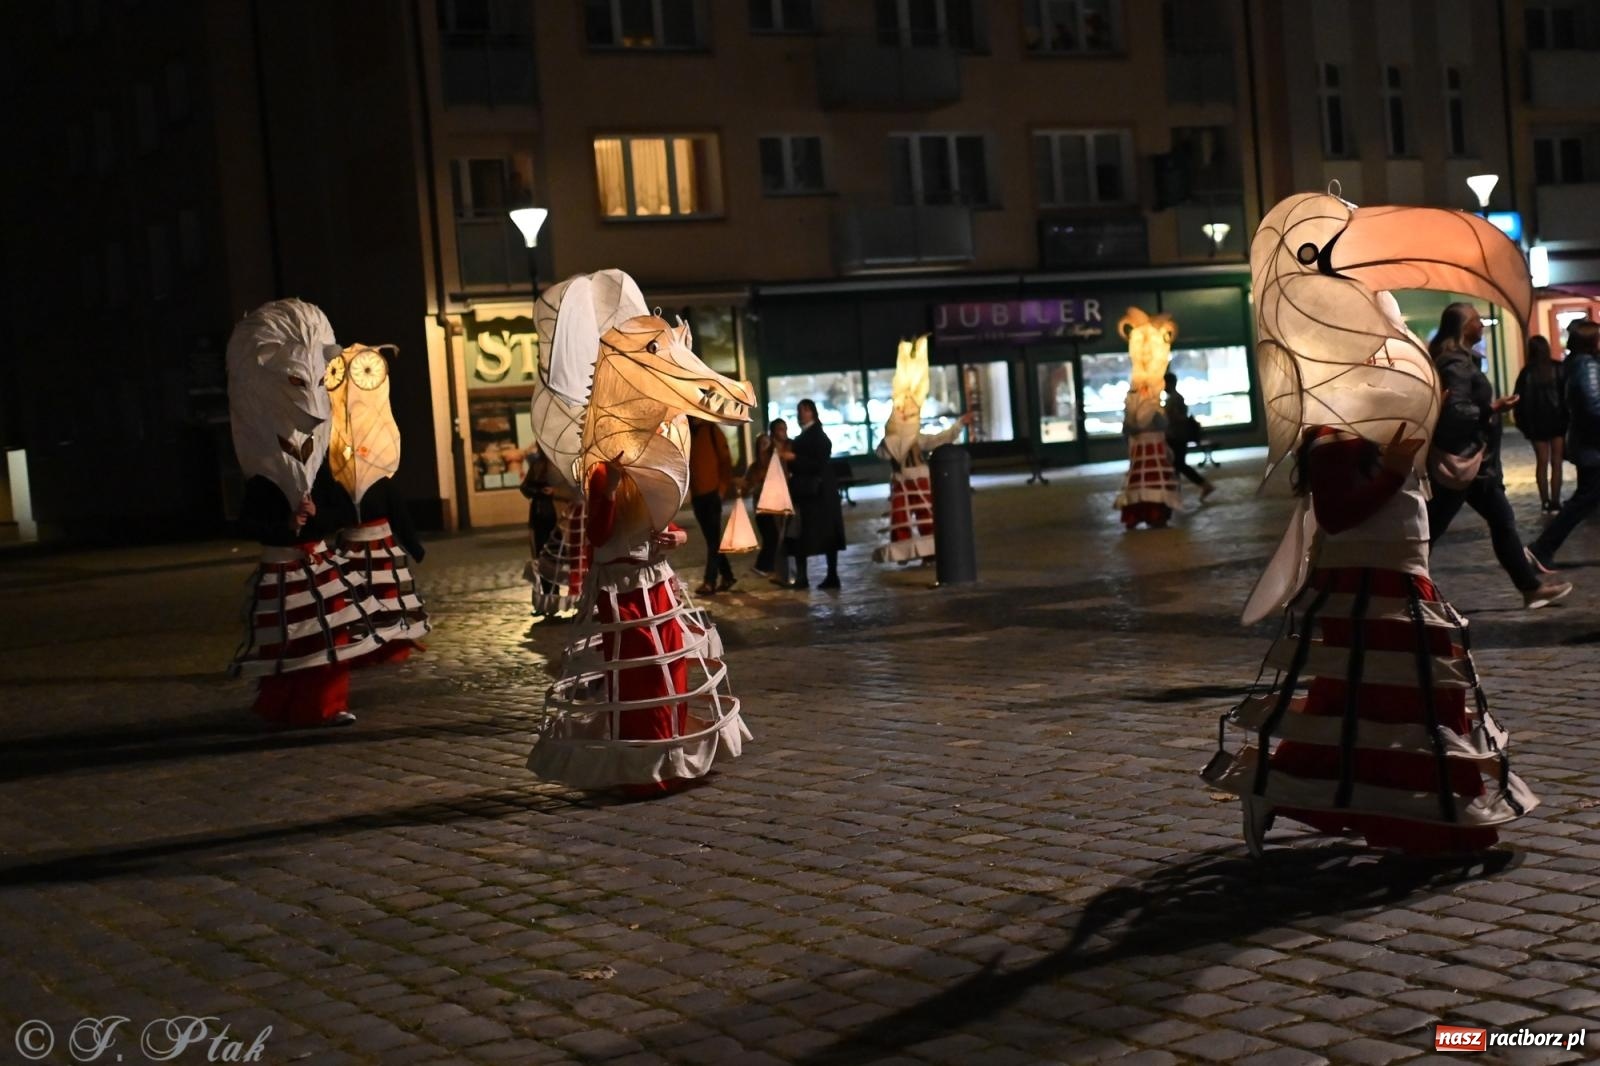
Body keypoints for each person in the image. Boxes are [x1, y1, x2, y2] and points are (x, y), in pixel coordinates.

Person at [1206, 425, 1538, 855]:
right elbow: (1335, 514)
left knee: (1370, 705)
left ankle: (1314, 792)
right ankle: (1415, 816)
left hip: (1400, 577)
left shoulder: (1380, 425)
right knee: (1400, 701)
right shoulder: (1332, 436)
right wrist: (1394, 470)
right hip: (1370, 585)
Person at [1426, 303, 1570, 610]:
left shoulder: (1461, 359)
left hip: (1475, 463)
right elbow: (1455, 411)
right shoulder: (1456, 363)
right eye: (1478, 320)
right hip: (1466, 463)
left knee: (1501, 521)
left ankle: (1530, 588)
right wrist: (1493, 409)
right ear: (1466, 326)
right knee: (1432, 529)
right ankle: (1402, 585)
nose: (1482, 325)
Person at [1529, 318, 1600, 569]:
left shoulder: (1580, 364)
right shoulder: (1587, 366)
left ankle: (1543, 547)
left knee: (1583, 501)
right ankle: (1542, 547)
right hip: (1593, 446)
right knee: (1582, 501)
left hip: (1588, 444)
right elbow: (1593, 407)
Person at [787, 399, 845, 590]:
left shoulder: (816, 436)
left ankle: (817, 576)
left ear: (812, 412)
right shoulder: (810, 435)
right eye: (800, 409)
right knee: (810, 534)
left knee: (808, 533)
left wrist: (795, 458)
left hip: (815, 493)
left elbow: (818, 463)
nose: (801, 413)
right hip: (815, 492)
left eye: (805, 410)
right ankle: (825, 575)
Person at [1512, 335, 1568, 513]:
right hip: (1558, 422)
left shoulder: (1526, 373)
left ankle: (1544, 501)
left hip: (1536, 424)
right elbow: (1566, 396)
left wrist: (1524, 426)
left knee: (1541, 463)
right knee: (1557, 461)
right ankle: (1556, 501)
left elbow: (1519, 402)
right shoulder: (1558, 368)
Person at [689, 419, 736, 596]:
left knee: (713, 539)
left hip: (712, 493)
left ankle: (710, 581)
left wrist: (722, 490)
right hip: (697, 494)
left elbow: (726, 461)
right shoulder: (686, 431)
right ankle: (728, 576)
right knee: (712, 539)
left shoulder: (710, 430)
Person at [1163, 371, 1215, 501]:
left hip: (1176, 436)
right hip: (1178, 435)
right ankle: (1176, 491)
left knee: (1178, 464)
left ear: (1169, 383)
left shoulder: (1173, 399)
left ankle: (1203, 484)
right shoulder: (1176, 398)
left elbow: (1176, 417)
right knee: (1176, 464)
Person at [752, 419, 791, 579]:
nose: (765, 446)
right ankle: (764, 566)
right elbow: (753, 481)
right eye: (762, 444)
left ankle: (775, 567)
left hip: (778, 500)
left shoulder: (777, 455)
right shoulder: (758, 465)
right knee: (771, 536)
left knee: (778, 535)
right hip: (764, 505)